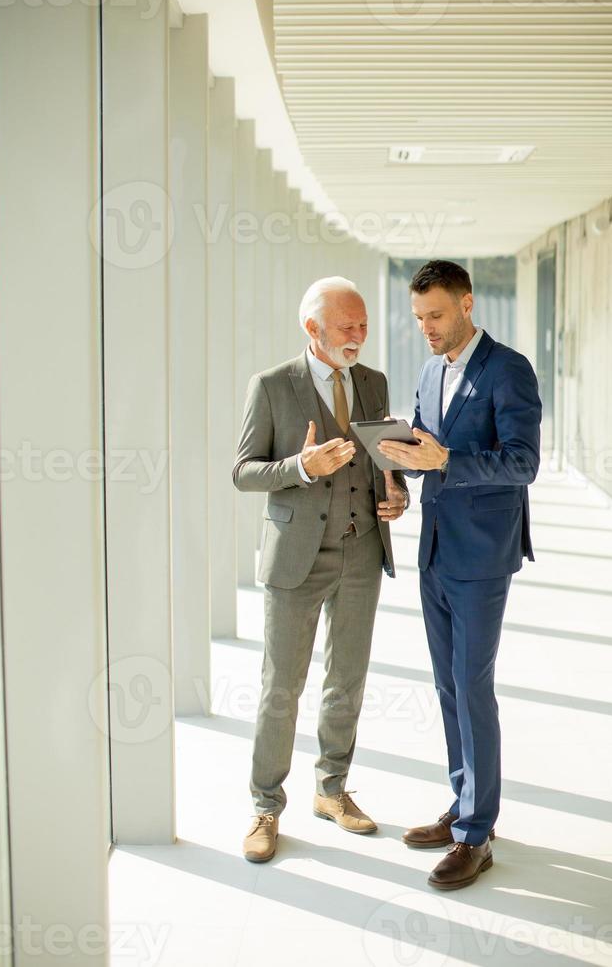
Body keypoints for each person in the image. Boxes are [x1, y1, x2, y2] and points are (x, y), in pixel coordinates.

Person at [233, 275, 409, 863]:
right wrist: (301, 466)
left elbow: (386, 462)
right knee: (281, 686)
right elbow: (243, 471)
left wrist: (397, 494)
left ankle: (332, 789)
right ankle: (265, 805)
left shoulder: (374, 383)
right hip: (297, 557)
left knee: (348, 680)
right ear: (313, 329)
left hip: (362, 551)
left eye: (363, 325)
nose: (359, 336)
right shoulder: (271, 386)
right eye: (346, 327)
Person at [379, 259, 542, 890]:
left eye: (437, 315)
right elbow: (428, 457)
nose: (427, 328)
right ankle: (462, 805)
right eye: (420, 318)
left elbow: (522, 462)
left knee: (472, 687)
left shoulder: (508, 369)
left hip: (481, 556)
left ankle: (477, 833)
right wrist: (398, 476)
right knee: (448, 686)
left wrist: (451, 458)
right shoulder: (428, 371)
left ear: (468, 304)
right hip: (435, 550)